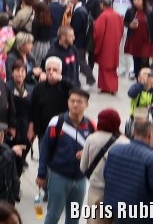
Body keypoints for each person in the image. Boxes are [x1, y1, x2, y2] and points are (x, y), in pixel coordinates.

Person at [36, 88, 93, 224]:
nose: (75, 104)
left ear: (86, 105)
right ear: (68, 102)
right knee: (53, 215)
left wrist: (87, 153)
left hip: (80, 179)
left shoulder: (90, 125)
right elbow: (45, 150)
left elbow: (97, 149)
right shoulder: (57, 123)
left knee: (74, 218)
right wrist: (41, 174)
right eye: (72, 101)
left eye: (79, 102)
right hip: (58, 176)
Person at [101, 119, 153, 222]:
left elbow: (106, 175)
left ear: (133, 133)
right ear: (150, 136)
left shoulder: (114, 151)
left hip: (116, 209)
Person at [79, 109, 127, 224]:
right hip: (118, 192)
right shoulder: (125, 142)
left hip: (96, 191)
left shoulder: (92, 139)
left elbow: (83, 167)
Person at [92, 0, 123, 94]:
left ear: (102, 4)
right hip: (115, 44)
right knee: (111, 67)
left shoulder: (103, 16)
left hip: (105, 44)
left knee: (105, 66)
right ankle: (110, 87)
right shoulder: (117, 15)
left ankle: (108, 87)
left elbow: (98, 32)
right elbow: (121, 30)